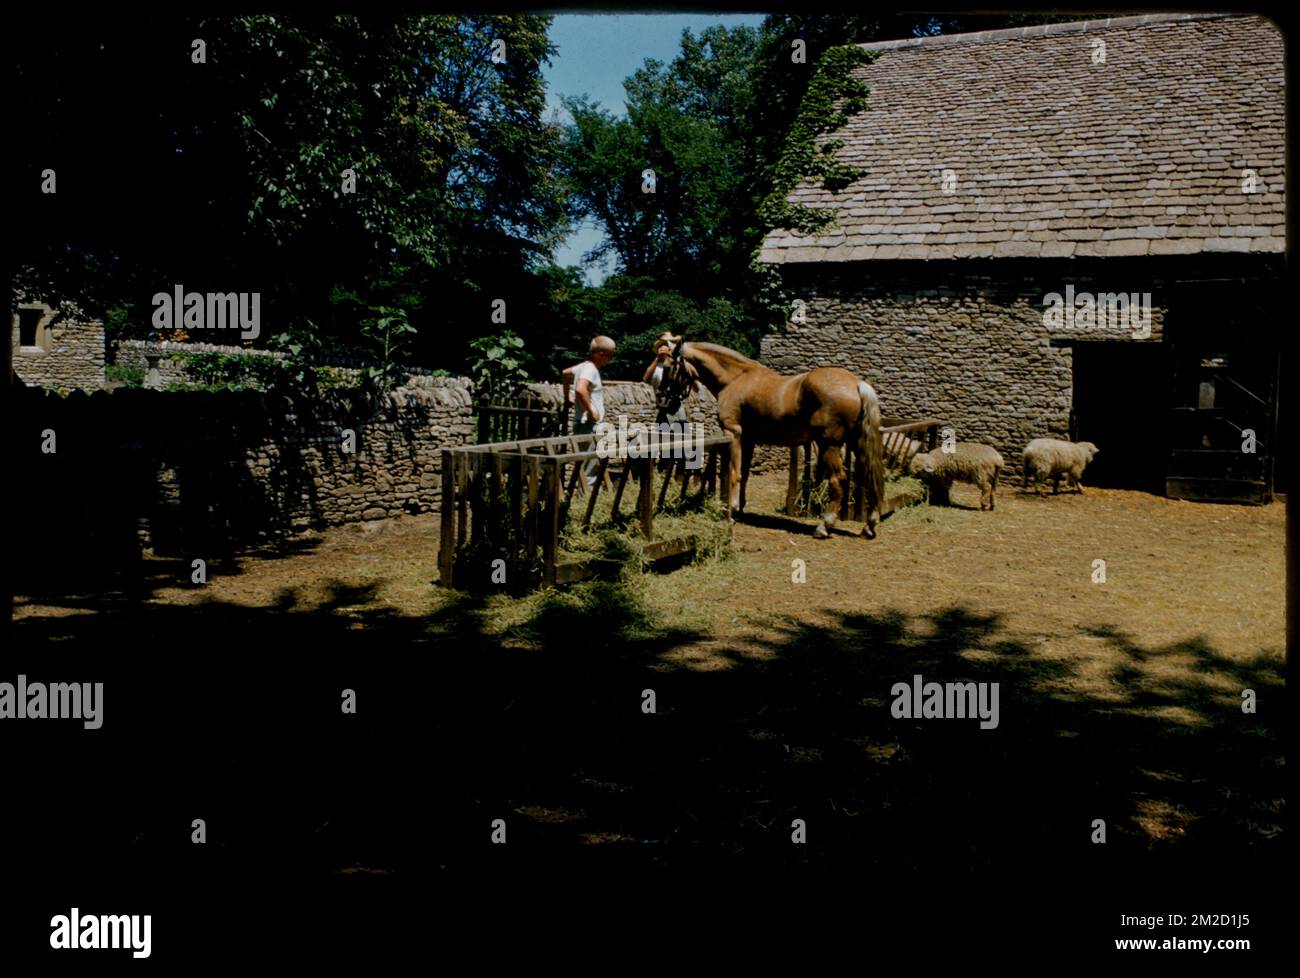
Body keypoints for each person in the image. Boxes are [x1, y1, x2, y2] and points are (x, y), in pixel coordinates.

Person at [563, 336, 615, 488]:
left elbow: (565, 373)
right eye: (610, 354)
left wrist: (567, 397)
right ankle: (586, 503)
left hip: (581, 423)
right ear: (600, 353)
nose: (611, 359)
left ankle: (583, 500)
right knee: (590, 468)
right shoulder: (590, 369)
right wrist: (592, 411)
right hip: (589, 424)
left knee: (585, 465)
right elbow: (580, 388)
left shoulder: (583, 366)